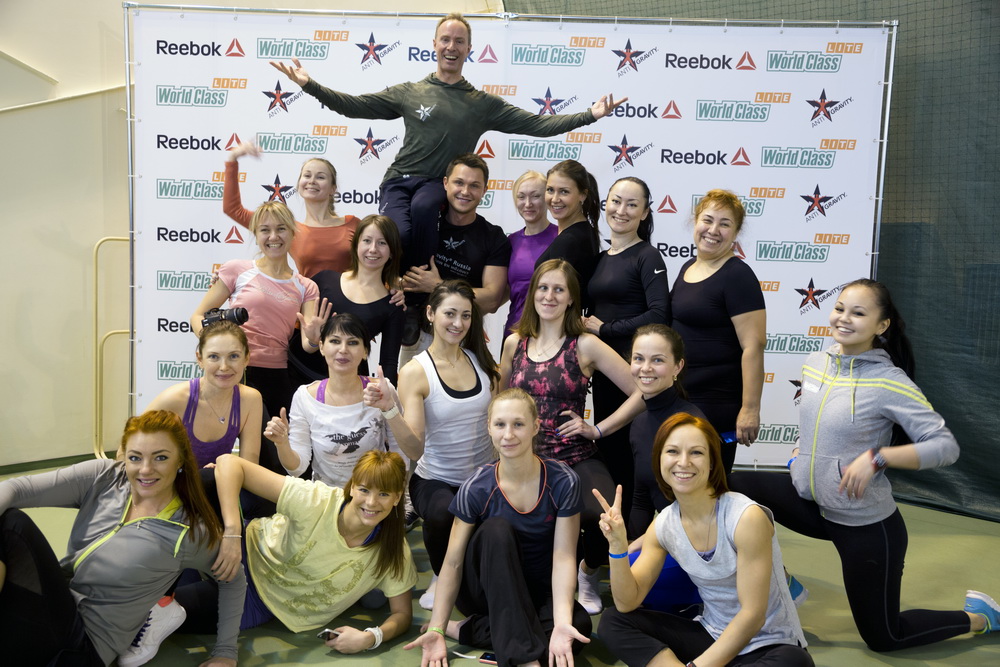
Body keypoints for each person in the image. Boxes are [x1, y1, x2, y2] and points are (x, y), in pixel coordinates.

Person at [728, 279, 1000, 651]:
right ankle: (781, 582)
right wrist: (799, 455)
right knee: (728, 487)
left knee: (885, 637)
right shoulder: (816, 362)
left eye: (858, 313)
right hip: (812, 504)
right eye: (840, 308)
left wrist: (878, 457)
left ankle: (981, 617)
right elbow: (816, 426)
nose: (844, 318)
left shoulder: (889, 382)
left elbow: (945, 447)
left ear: (881, 325)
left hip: (864, 524)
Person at [270, 13, 624, 280]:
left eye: (459, 41)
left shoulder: (481, 103)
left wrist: (588, 115)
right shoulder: (410, 92)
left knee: (425, 208)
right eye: (445, 40)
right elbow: (354, 106)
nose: (451, 47)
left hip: (434, 184)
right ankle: (393, 286)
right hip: (397, 180)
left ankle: (416, 291)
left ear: (469, 50)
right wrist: (309, 85)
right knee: (396, 234)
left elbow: (537, 124)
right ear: (435, 44)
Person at [0, 411, 245, 667]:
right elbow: (17, 488)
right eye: (135, 457)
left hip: (82, 645)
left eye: (161, 457)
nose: (146, 469)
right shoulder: (104, 478)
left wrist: (226, 653)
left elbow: (233, 580)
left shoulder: (187, 531)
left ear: (180, 460)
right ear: (124, 456)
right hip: (54, 609)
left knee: (13, 526)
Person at [596, 413, 813, 667]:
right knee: (614, 621)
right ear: (659, 460)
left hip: (767, 643)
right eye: (672, 451)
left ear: (711, 463)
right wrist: (618, 546)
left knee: (795, 662)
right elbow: (627, 602)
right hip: (712, 634)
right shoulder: (664, 524)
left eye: (696, 453)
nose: (683, 462)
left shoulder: (745, 517)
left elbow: (753, 616)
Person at [499, 259, 645, 615]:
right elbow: (500, 401)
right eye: (543, 288)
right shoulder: (514, 343)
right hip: (525, 460)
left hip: (574, 455)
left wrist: (597, 429)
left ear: (571, 299)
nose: (549, 296)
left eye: (559, 290)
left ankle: (588, 571)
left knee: (604, 515)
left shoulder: (585, 345)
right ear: (533, 293)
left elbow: (642, 391)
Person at [406, 389, 592, 667]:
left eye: (518, 424)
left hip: (535, 589)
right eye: (500, 424)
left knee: (577, 629)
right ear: (489, 428)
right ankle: (523, 659)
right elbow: (453, 563)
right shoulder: (477, 486)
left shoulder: (564, 481)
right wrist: (436, 627)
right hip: (486, 591)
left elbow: (564, 557)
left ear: (535, 426)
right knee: (496, 529)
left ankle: (469, 629)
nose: (508, 434)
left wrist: (563, 623)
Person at [181, 450, 416, 653]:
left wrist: (370, 638)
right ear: (352, 487)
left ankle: (184, 570)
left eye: (384, 494)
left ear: (397, 498)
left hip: (255, 602)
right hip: (246, 549)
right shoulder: (318, 500)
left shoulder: (394, 550)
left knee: (168, 614)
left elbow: (403, 614)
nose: (372, 502)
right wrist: (233, 533)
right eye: (364, 490)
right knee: (207, 480)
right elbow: (229, 462)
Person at [364, 280, 498, 611]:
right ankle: (441, 573)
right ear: (430, 313)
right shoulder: (415, 371)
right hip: (435, 480)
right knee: (443, 512)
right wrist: (390, 409)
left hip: (482, 478)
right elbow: (414, 450)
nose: (458, 323)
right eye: (449, 314)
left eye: (465, 315)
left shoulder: (481, 360)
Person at [190, 200, 330, 419]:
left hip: (276, 376)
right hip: (232, 369)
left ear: (293, 233)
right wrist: (217, 346)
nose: (273, 237)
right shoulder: (236, 270)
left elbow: (308, 345)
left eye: (281, 229)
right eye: (265, 230)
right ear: (256, 235)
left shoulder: (306, 286)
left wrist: (313, 339)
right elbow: (198, 316)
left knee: (273, 440)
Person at [584, 177, 670, 521]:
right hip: (604, 373)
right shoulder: (600, 258)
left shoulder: (647, 256)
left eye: (632, 204)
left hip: (635, 374)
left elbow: (660, 315)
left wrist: (606, 329)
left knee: (633, 459)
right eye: (616, 201)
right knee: (611, 456)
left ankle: (638, 538)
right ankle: (613, 535)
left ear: (645, 212)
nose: (621, 210)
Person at [670, 189, 766, 472]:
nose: (713, 230)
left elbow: (754, 346)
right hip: (681, 398)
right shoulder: (687, 267)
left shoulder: (738, 275)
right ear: (695, 222)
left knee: (709, 485)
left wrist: (750, 409)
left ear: (735, 233)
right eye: (708, 220)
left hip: (716, 403)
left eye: (724, 224)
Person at [267, 313, 401, 490]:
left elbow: (401, 451)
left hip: (374, 492)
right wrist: (282, 443)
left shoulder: (382, 390)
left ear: (365, 351)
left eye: (353, 342)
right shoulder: (305, 396)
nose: (343, 349)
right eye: (335, 341)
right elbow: (297, 469)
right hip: (327, 496)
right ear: (322, 347)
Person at [400, 152, 511, 350]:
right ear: (445, 183)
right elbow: (396, 277)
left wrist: (437, 285)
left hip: (466, 338)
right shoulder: (422, 223)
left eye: (474, 185)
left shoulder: (494, 237)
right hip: (418, 336)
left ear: (485, 190)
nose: (465, 191)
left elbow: (492, 299)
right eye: (459, 182)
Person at [291, 214, 405, 385]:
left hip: (349, 385)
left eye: (382, 243)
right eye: (367, 241)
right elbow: (306, 345)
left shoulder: (393, 305)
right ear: (356, 244)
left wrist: (386, 397)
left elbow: (388, 363)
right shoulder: (324, 280)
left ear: (392, 251)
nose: (373, 249)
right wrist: (314, 341)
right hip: (299, 375)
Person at [223, 141, 359, 278]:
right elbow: (233, 209)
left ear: (333, 189)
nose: (312, 181)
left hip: (349, 292)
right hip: (309, 292)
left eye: (320, 177)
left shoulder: (353, 224)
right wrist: (232, 158)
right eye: (307, 175)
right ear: (299, 185)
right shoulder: (289, 229)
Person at [145, 321, 263, 468]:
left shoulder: (251, 399)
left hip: (218, 481)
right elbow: (126, 455)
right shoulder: (175, 399)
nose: (224, 367)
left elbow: (250, 467)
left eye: (233, 356)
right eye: (214, 357)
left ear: (246, 359)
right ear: (200, 359)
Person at [626, 324, 705, 539]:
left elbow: (698, 508)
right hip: (665, 535)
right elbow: (641, 499)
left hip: (697, 538)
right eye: (638, 358)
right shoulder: (639, 424)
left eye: (657, 360)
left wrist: (644, 545)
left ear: (678, 367)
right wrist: (628, 545)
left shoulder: (690, 424)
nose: (646, 368)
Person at [533, 160, 602, 300]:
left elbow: (554, 300)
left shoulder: (569, 240)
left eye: (564, 192)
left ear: (583, 195)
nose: (555, 199)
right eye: (550, 190)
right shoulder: (584, 230)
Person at [504, 170, 557, 338]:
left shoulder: (562, 238)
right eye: (521, 197)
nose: (528, 204)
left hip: (551, 335)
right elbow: (502, 292)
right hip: (515, 333)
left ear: (547, 198)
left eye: (535, 196)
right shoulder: (511, 241)